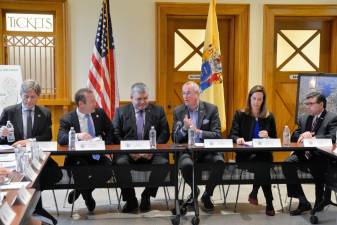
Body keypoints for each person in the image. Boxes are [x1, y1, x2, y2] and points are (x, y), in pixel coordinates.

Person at [0, 80, 62, 224]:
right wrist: (1, 133)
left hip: (36, 156)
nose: (29, 100)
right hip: (13, 157)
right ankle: (31, 208)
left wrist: (30, 141)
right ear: (20, 95)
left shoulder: (45, 113)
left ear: (38, 97)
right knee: (23, 178)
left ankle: (34, 206)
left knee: (54, 173)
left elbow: (47, 136)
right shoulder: (9, 112)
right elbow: (1, 139)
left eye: (33, 97)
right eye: (26, 96)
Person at [113, 82, 170, 213]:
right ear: (131, 98)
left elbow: (165, 133)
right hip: (129, 153)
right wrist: (129, 152)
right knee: (119, 163)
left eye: (145, 98)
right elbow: (115, 134)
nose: (143, 102)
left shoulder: (158, 110)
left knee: (163, 163)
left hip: (152, 152)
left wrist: (152, 150)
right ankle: (131, 199)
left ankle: (147, 195)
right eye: (139, 99)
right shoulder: (121, 111)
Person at [57, 88, 114, 213]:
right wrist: (78, 135)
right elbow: (61, 139)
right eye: (92, 101)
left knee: (109, 170)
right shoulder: (68, 118)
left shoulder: (100, 113)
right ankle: (87, 196)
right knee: (81, 170)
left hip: (97, 155)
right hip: (77, 157)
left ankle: (81, 190)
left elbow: (111, 130)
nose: (96, 104)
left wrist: (108, 148)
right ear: (81, 104)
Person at [172, 81, 224, 212]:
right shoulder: (178, 111)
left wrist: (198, 131)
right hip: (187, 152)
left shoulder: (211, 109)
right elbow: (175, 138)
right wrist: (184, 128)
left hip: (206, 151)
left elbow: (217, 135)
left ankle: (207, 195)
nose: (185, 96)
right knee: (185, 165)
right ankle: (194, 190)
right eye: (183, 93)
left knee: (219, 162)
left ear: (197, 94)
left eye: (188, 93)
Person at [283, 92, 337, 216]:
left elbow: (332, 138)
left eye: (311, 104)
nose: (308, 106)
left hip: (320, 156)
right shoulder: (304, 117)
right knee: (287, 164)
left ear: (321, 104)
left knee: (319, 167)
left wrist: (312, 137)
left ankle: (320, 202)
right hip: (303, 155)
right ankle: (303, 201)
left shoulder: (332, 118)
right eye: (307, 104)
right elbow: (294, 136)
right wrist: (302, 135)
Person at [229, 85, 276, 216]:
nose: (256, 102)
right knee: (263, 166)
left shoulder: (269, 116)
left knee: (262, 162)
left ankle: (255, 193)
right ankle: (268, 202)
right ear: (249, 98)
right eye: (254, 98)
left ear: (263, 100)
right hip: (245, 156)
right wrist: (237, 139)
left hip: (263, 155)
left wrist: (269, 136)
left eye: (259, 99)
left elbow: (275, 139)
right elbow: (231, 135)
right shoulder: (240, 114)